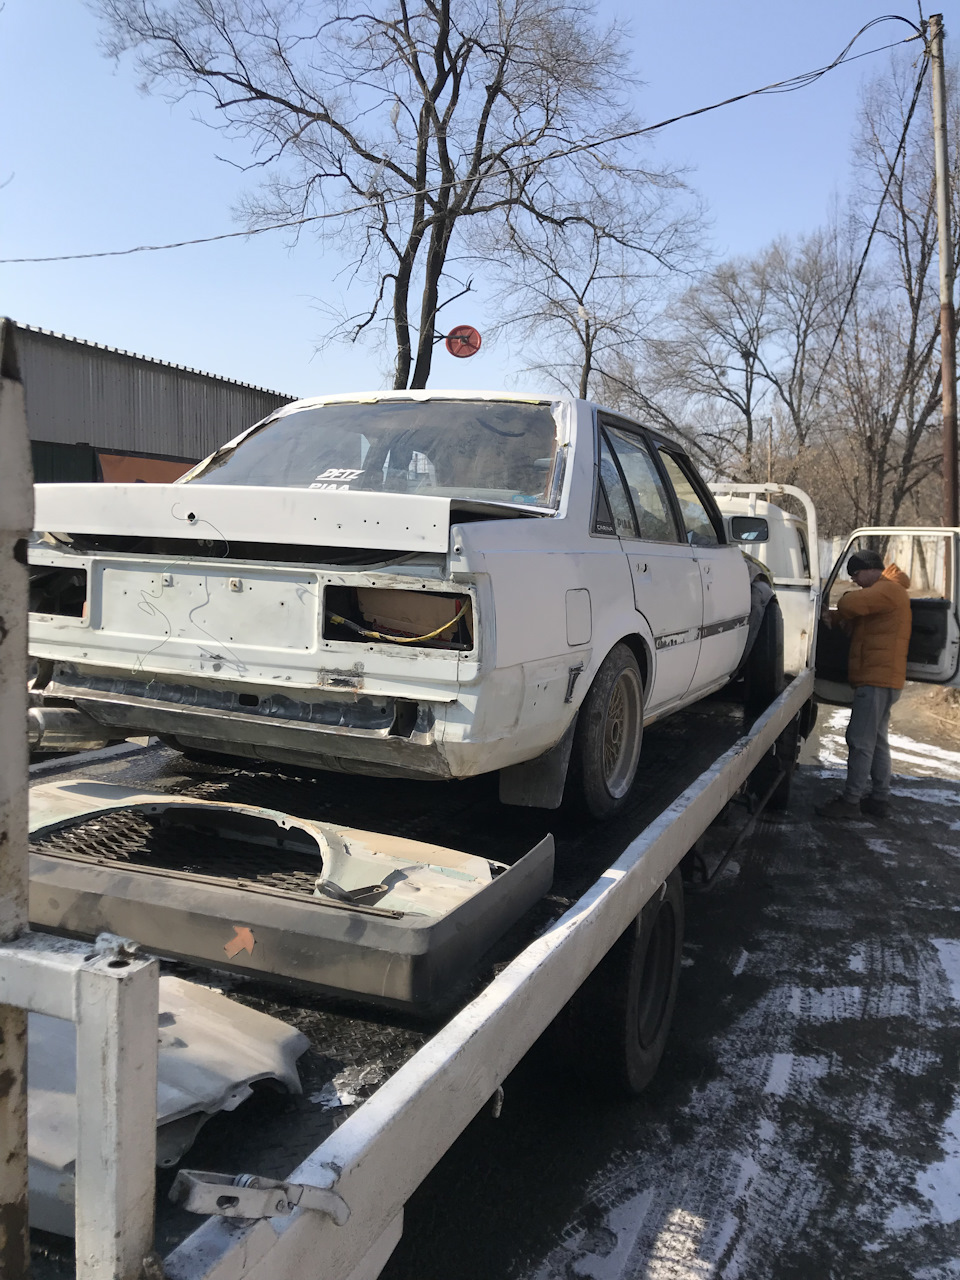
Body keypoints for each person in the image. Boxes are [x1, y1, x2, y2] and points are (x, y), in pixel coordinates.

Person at [817, 551, 912, 820]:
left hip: (876, 680)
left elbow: (852, 605)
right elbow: (858, 616)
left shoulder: (888, 590)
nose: (855, 581)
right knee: (877, 741)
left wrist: (841, 606)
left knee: (859, 740)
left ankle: (851, 802)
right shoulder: (887, 593)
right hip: (883, 679)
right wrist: (833, 619)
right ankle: (879, 799)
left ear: (871, 569)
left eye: (856, 574)